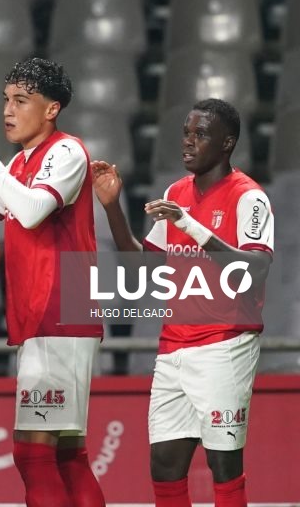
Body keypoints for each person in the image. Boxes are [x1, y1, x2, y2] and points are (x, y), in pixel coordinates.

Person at [92, 98, 273, 507]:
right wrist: (111, 207)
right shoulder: (176, 192)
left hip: (225, 345)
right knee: (165, 466)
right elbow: (144, 271)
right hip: (174, 346)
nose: (188, 142)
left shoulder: (249, 198)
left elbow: (255, 271)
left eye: (201, 134)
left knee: (224, 466)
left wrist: (190, 225)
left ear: (227, 144)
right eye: (186, 133)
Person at [0, 58, 105, 507]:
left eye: (21, 101)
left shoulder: (67, 152)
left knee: (33, 452)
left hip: (62, 310)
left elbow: (34, 209)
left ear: (52, 108)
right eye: (6, 100)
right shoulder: (23, 160)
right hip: (43, 315)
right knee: (66, 455)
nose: (8, 110)